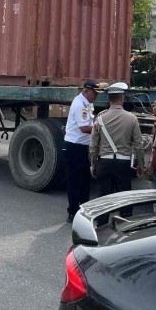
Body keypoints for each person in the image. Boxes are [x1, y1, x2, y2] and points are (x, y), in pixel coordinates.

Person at [90, 82, 143, 198]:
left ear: (108, 98)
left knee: (103, 202)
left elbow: (93, 145)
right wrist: (140, 164)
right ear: (122, 98)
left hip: (104, 163)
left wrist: (93, 164)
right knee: (124, 200)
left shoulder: (100, 118)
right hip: (123, 164)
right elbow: (138, 144)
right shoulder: (132, 119)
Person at [64, 80, 99, 223]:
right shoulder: (79, 104)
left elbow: (90, 121)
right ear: (85, 91)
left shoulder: (88, 103)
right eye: (94, 93)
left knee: (86, 180)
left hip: (85, 146)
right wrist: (101, 127)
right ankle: (72, 212)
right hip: (75, 146)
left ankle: (84, 211)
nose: (95, 97)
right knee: (75, 181)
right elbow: (84, 128)